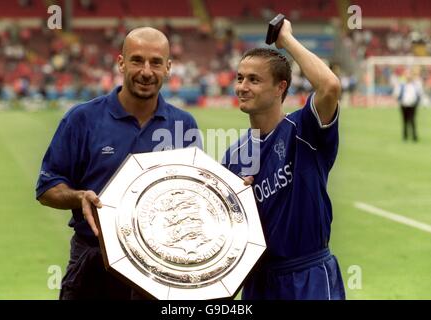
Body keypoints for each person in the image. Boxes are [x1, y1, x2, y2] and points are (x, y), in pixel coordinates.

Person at [36, 27, 201, 299]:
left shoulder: (184, 125)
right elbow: (47, 188)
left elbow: (193, 196)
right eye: (137, 60)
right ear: (121, 62)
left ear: (168, 68)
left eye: (156, 62)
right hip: (94, 260)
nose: (146, 71)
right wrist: (80, 197)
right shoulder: (82, 118)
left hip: (160, 267)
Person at [222, 18, 345, 300]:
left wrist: (286, 40)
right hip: (259, 282)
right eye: (240, 78)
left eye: (254, 79)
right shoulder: (234, 156)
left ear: (280, 87)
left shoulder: (304, 130)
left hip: (308, 277)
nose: (242, 87)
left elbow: (329, 86)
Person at [394, 69, 423, 142]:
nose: (408, 76)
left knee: (412, 120)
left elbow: (419, 94)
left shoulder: (416, 84)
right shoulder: (401, 84)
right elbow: (396, 94)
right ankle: (405, 136)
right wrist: (399, 100)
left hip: (413, 105)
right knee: (404, 121)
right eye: (407, 74)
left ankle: (414, 136)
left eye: (410, 74)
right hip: (404, 105)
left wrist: (417, 101)